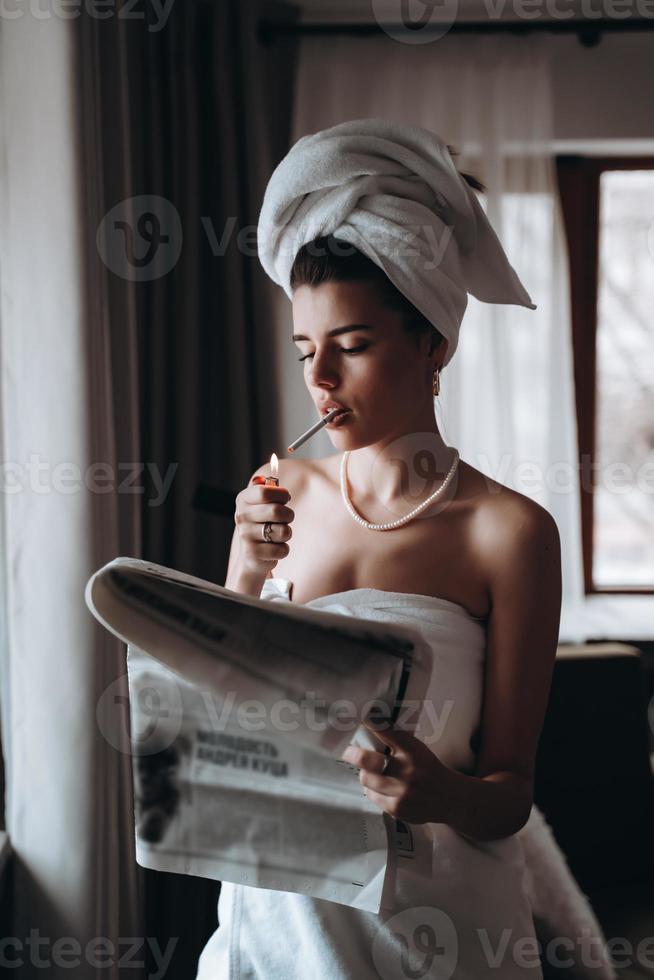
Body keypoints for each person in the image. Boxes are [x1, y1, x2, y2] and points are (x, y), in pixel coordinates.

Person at [196, 119, 563, 979]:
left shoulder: (508, 533)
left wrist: (442, 794)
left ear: (434, 343)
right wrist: (244, 572)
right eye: (304, 350)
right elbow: (222, 713)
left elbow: (510, 794)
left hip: (439, 928)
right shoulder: (278, 493)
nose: (321, 379)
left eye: (353, 347)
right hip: (278, 921)